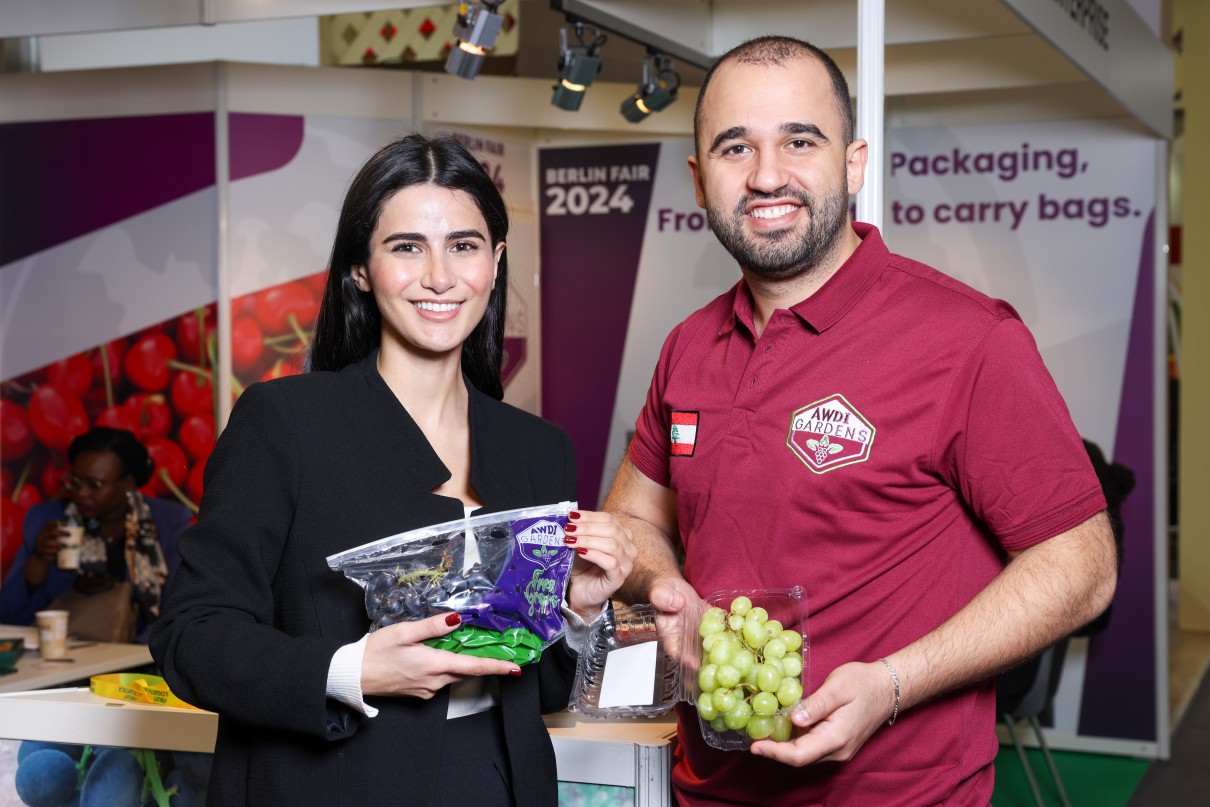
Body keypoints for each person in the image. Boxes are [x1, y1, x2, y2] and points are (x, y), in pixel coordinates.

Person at [604, 36, 1118, 805]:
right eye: (735, 146)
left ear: (852, 162)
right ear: (698, 180)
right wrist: (670, 592)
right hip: (706, 787)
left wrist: (894, 683)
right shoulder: (687, 348)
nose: (767, 174)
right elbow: (633, 518)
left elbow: (1083, 568)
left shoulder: (968, 339)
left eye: (799, 140)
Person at [150, 134, 636, 807]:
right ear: (360, 267)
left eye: (464, 245)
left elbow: (536, 687)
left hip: (497, 784)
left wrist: (579, 610)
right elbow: (190, 636)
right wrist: (353, 668)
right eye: (407, 246)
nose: (439, 275)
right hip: (331, 784)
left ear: (494, 263)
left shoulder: (537, 448)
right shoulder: (285, 423)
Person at [0, 427, 192, 644]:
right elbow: (7, 617)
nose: (81, 493)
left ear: (128, 483)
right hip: (62, 660)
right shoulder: (46, 518)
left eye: (94, 485)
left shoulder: (168, 521)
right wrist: (39, 560)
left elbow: (179, 611)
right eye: (75, 481)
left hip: (141, 661)